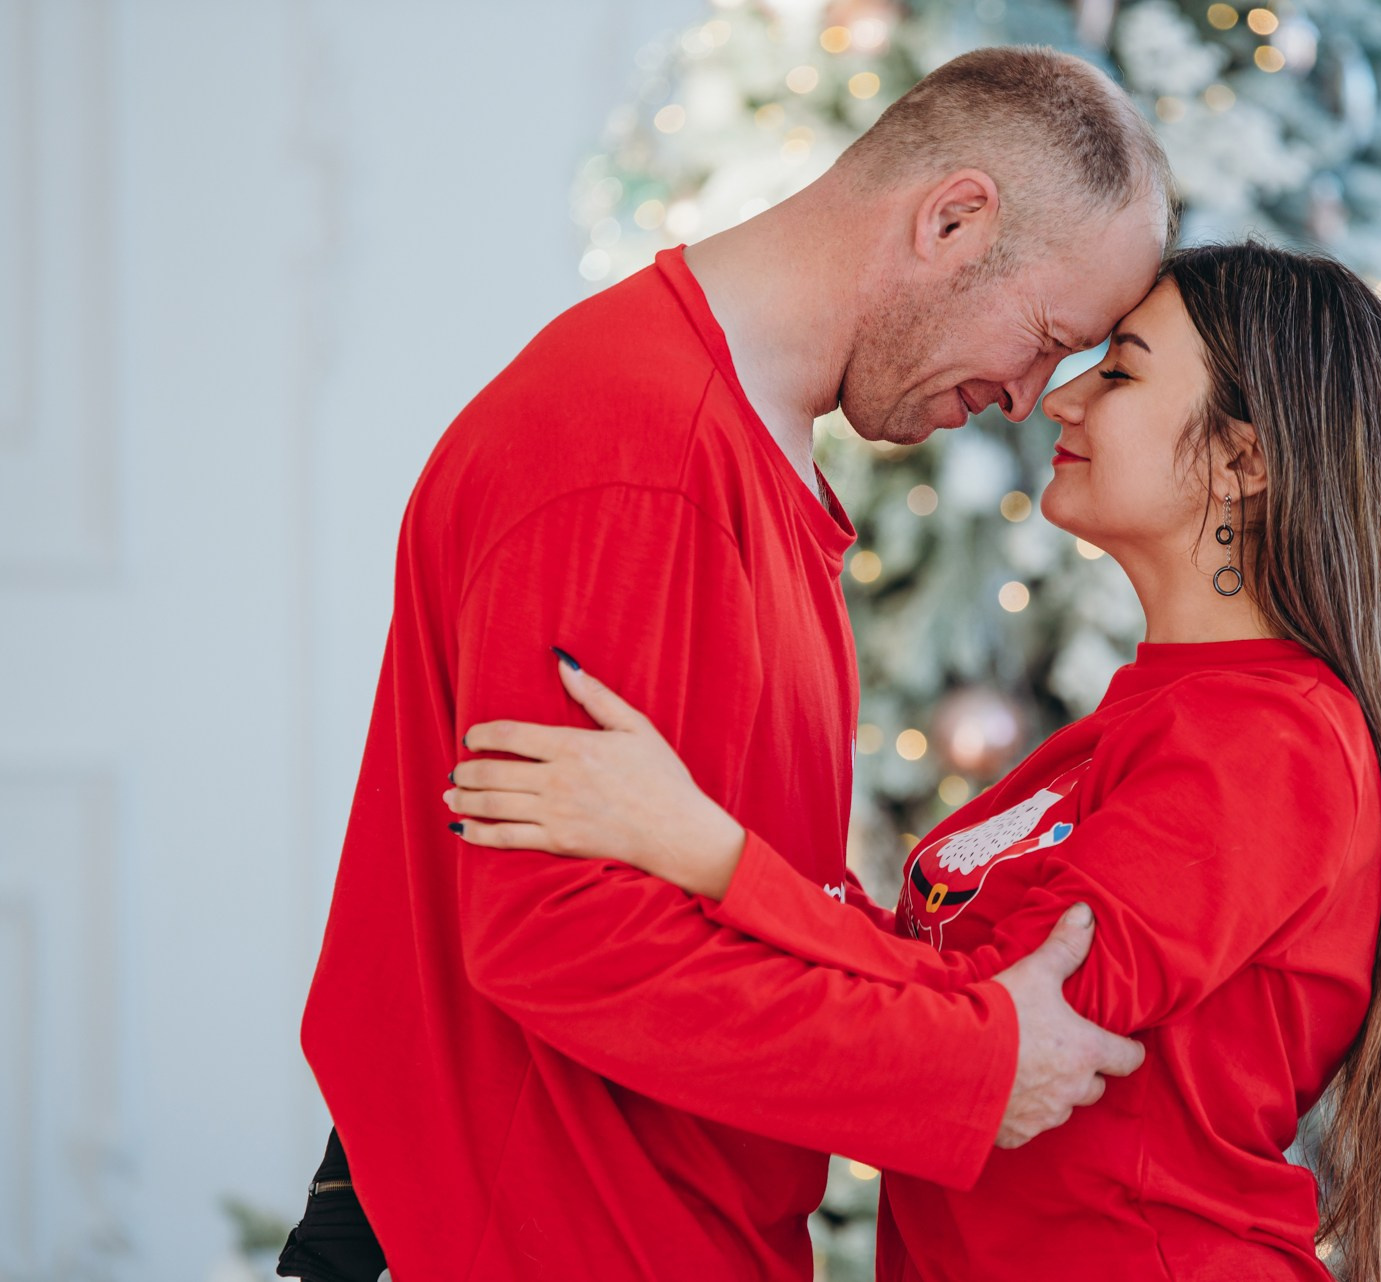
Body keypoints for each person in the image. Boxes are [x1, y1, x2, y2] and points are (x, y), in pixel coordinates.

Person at [288, 47, 1175, 1282]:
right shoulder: (634, 453)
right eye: (1044, 338)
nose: (1031, 400)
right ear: (954, 218)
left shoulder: (739, 444)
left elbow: (747, 897)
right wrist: (963, 1066)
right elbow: (562, 936)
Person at [445, 242, 1381, 1282]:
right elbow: (936, 982)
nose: (1059, 402)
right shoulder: (1143, 722)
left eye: (1117, 371)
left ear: (1243, 461)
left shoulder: (1277, 741)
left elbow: (996, 1030)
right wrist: (686, 833)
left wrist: (705, 849)